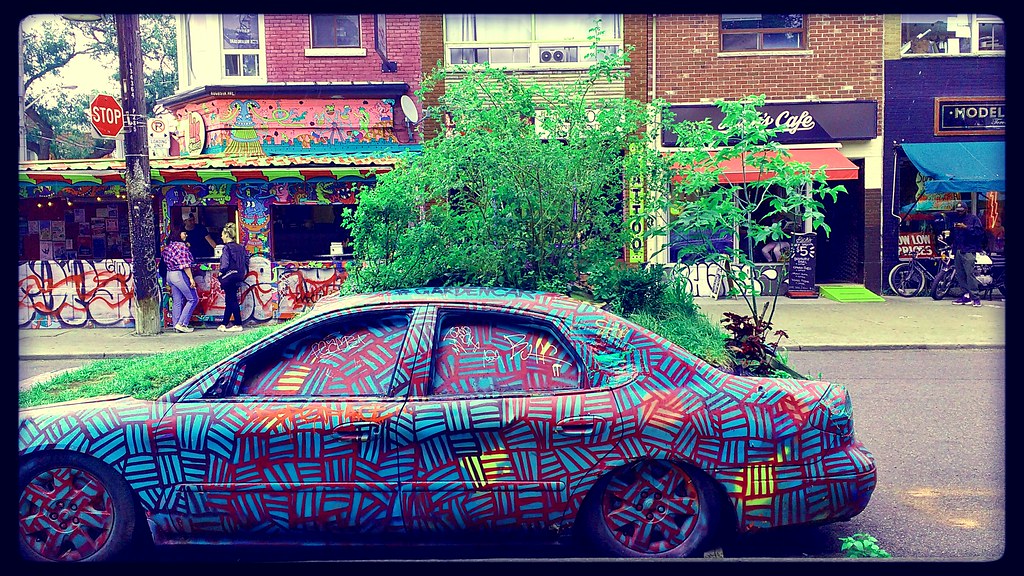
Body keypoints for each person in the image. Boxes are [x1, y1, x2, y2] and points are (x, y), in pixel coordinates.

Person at [161, 222, 198, 332]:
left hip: (170, 274)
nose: (186, 235)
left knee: (177, 301)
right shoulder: (181, 247)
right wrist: (191, 278)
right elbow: (185, 265)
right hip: (179, 274)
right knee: (193, 299)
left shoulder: (169, 246)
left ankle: (175, 324)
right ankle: (182, 324)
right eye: (184, 233)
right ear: (178, 234)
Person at [947, 201, 985, 307]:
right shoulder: (954, 220)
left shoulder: (973, 219)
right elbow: (953, 235)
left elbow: (980, 233)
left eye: (961, 211)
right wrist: (946, 239)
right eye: (958, 211)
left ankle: (976, 297)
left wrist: (966, 227)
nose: (959, 213)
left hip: (969, 249)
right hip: (958, 249)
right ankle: (966, 295)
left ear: (966, 210)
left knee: (970, 274)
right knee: (960, 275)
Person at [217, 223, 248, 332]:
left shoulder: (226, 248)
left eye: (222, 235)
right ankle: (224, 323)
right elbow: (246, 261)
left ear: (226, 235)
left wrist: (221, 272)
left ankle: (238, 324)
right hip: (239, 275)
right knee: (230, 298)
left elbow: (225, 264)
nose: (221, 237)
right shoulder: (240, 247)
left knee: (232, 299)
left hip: (229, 276)